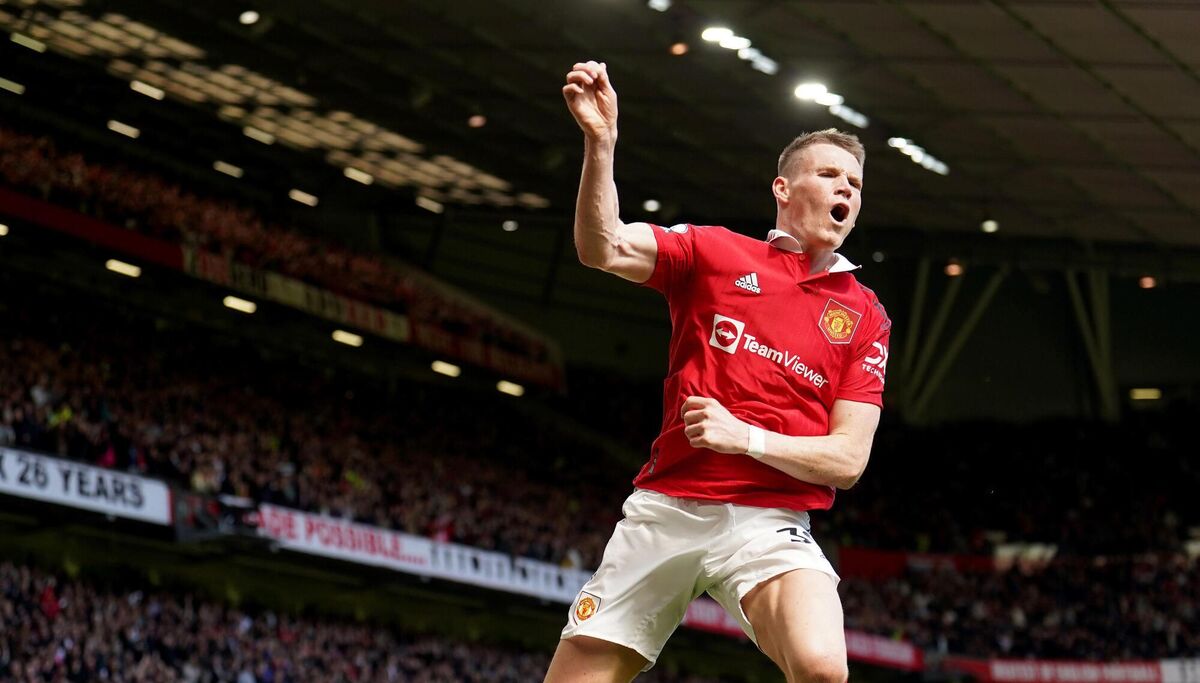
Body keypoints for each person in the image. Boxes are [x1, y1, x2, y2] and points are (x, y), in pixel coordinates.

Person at [545, 61, 891, 683]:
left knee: (822, 667)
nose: (846, 189)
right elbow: (603, 246)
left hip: (769, 520)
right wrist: (602, 143)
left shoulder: (864, 314)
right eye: (829, 175)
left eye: (856, 184)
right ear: (783, 188)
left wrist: (745, 437)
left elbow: (847, 461)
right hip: (668, 507)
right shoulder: (715, 252)